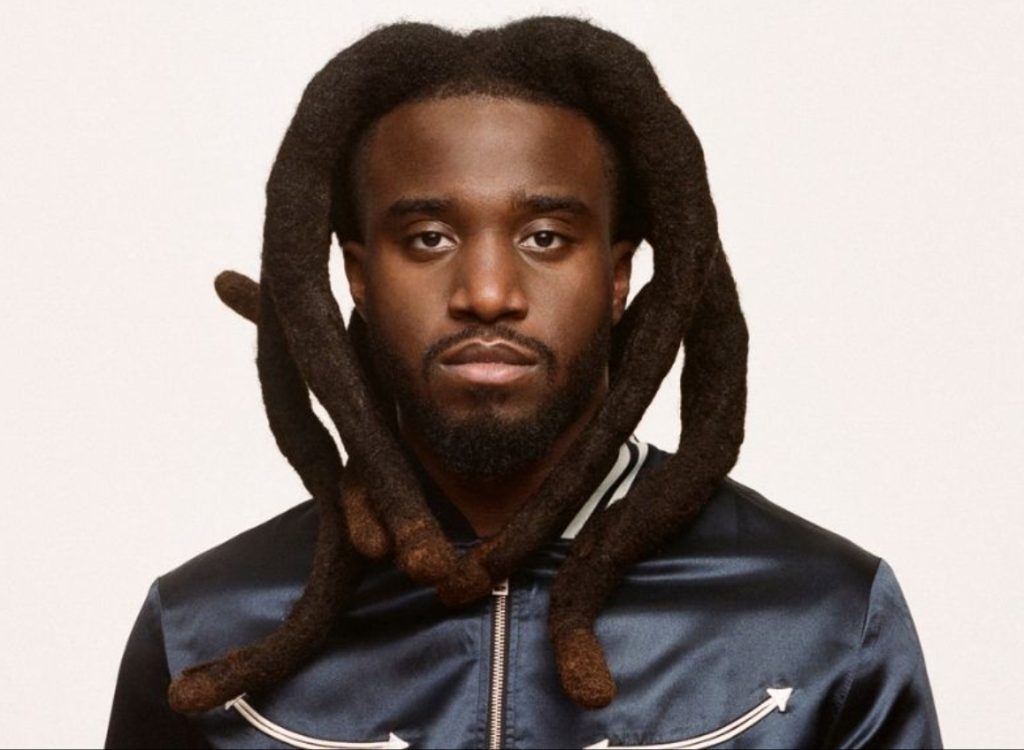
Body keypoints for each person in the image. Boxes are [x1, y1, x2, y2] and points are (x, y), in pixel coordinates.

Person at [105, 17, 942, 749]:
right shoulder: (206, 627)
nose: (488, 293)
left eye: (545, 236)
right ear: (357, 277)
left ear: (619, 277)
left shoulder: (823, 619)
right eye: (428, 238)